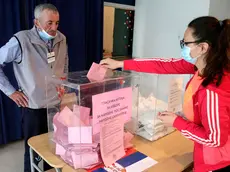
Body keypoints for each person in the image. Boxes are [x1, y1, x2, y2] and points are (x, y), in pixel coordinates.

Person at [100, 16, 230, 172]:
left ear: (202, 48)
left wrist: (177, 122)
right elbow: (162, 65)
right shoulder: (202, 67)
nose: (183, 47)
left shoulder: (214, 87)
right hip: (204, 154)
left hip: (216, 163)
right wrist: (121, 63)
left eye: (186, 43)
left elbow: (215, 139)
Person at [0, 3, 68, 172]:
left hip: (55, 105)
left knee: (53, 148)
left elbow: (64, 64)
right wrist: (10, 92)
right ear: (36, 22)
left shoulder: (61, 38)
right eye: (49, 23)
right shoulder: (21, 40)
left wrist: (63, 83)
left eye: (57, 23)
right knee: (34, 151)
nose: (54, 28)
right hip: (34, 108)